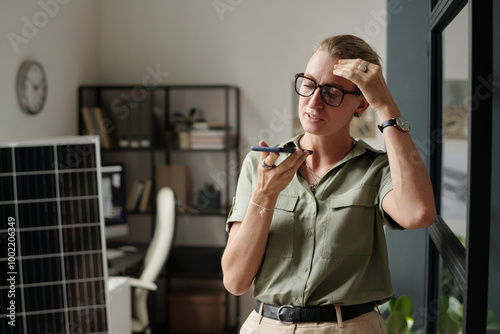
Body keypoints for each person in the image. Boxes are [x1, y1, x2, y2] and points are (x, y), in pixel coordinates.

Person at [221, 34, 436, 333]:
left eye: (332, 92)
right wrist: (264, 197)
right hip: (267, 325)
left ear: (361, 104)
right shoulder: (262, 166)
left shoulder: (376, 169)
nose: (313, 102)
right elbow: (234, 281)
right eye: (308, 84)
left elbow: (418, 214)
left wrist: (386, 106)